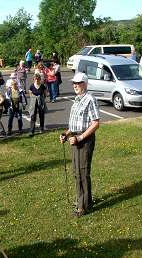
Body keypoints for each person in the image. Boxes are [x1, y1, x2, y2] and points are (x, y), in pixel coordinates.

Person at [59, 73, 100, 217]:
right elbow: (74, 124)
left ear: (85, 84)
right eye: (73, 83)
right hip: (75, 139)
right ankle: (82, 199)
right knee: (76, 172)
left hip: (84, 140)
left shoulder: (90, 99)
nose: (75, 85)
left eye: (78, 83)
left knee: (82, 172)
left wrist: (80, 137)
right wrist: (66, 134)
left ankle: (83, 206)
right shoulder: (77, 99)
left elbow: (95, 123)